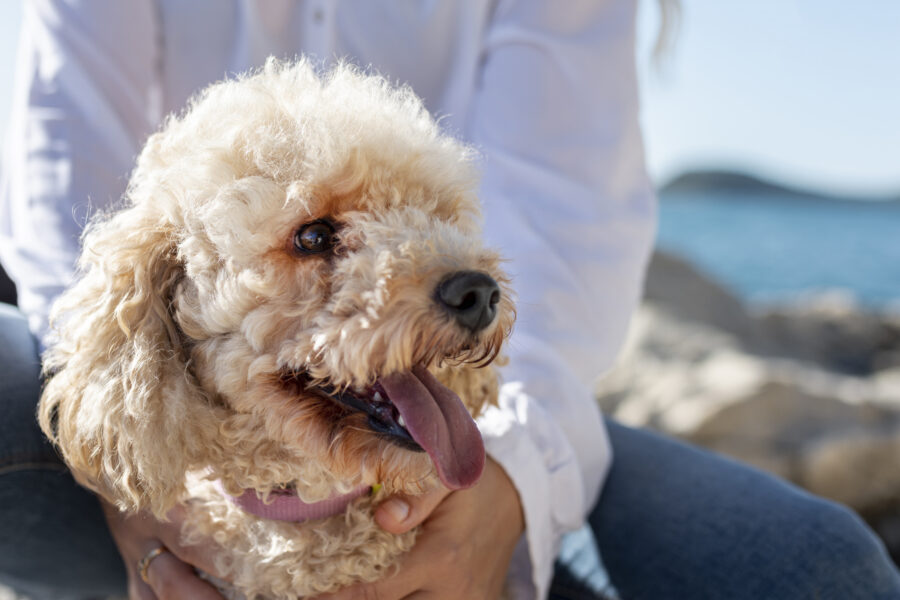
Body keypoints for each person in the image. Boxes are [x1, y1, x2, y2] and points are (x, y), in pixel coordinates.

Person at [1, 2, 898, 599]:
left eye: (429, 218)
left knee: (825, 570)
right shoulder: (150, 292)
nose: (435, 267)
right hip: (150, 375)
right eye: (318, 239)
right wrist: (128, 494)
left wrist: (515, 479)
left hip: (501, 392)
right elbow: (59, 185)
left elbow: (565, 236)